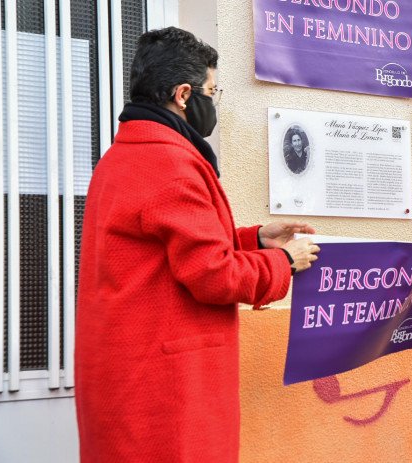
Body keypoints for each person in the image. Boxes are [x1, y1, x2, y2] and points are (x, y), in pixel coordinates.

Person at [74, 27, 320, 462]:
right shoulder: (169, 162)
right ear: (184, 94)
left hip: (128, 373)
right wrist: (284, 261)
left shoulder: (125, 155)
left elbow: (169, 249)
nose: (214, 101)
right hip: (166, 387)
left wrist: (255, 239)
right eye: (212, 90)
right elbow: (215, 276)